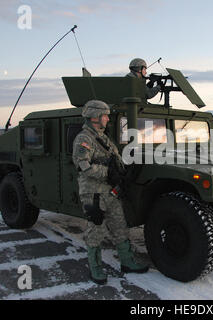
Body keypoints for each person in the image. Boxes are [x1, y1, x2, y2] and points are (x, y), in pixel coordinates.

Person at [72, 100, 149, 285]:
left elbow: (115, 161)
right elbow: (84, 166)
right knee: (95, 230)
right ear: (94, 117)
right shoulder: (84, 139)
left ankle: (127, 262)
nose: (107, 118)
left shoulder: (104, 138)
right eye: (105, 115)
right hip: (93, 193)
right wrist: (108, 173)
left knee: (120, 227)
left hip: (111, 192)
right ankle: (96, 268)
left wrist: (125, 171)